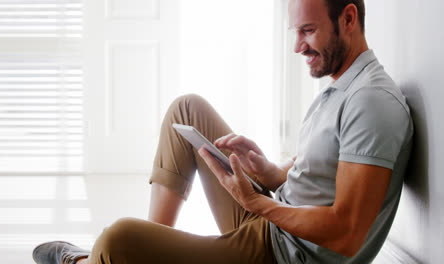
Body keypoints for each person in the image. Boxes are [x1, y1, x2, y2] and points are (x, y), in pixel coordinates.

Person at [32, 0, 414, 263]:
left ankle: (86, 260)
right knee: (188, 110)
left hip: (282, 254)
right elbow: (321, 176)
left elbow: (347, 233)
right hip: (276, 224)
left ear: (348, 19)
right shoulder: (343, 84)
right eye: (294, 31)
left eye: (308, 31)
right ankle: (149, 252)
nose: (298, 46)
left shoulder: (371, 103)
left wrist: (257, 203)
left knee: (117, 239)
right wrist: (268, 172)